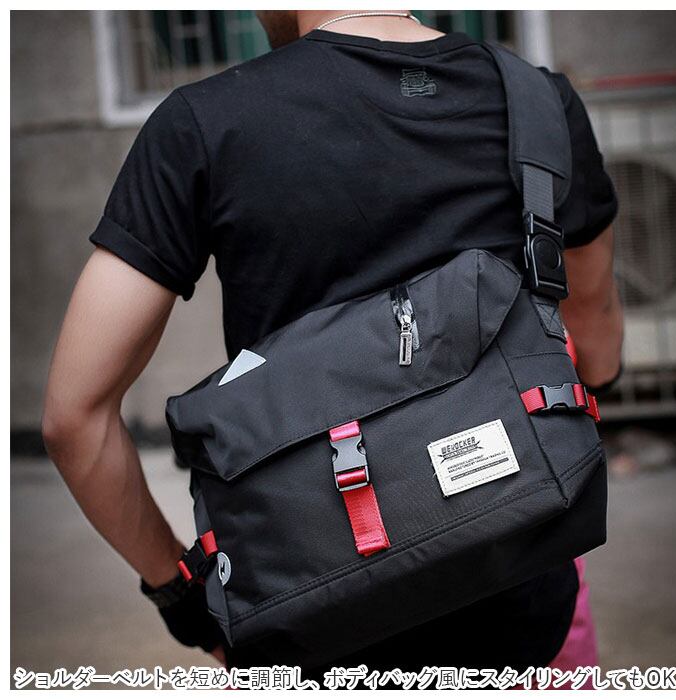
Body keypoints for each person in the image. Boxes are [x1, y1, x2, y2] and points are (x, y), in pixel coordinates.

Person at [42, 9, 623, 682]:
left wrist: (184, 600)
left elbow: (74, 418)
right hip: (525, 602)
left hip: (313, 628)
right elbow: (594, 333)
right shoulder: (538, 102)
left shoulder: (202, 122)